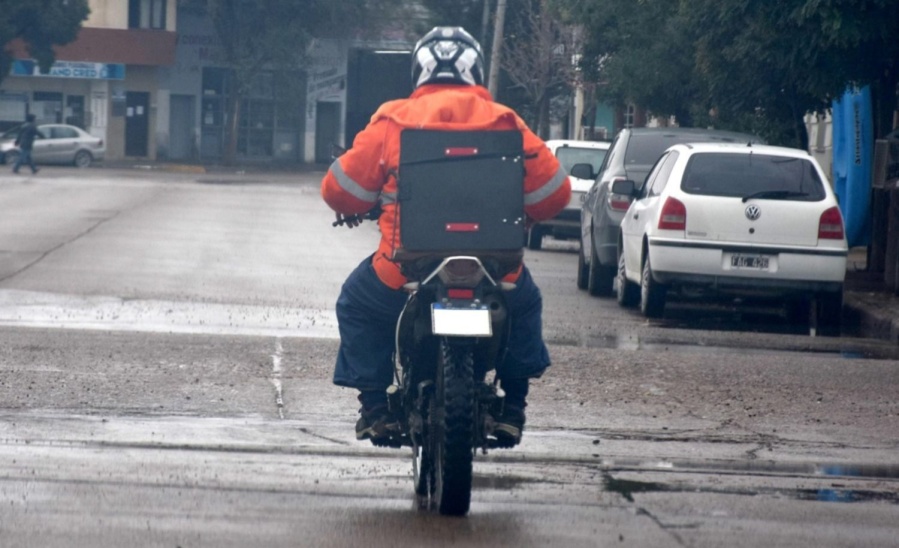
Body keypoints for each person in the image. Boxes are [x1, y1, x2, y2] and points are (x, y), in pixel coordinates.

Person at [321, 26, 571, 446]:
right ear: (475, 70)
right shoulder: (506, 122)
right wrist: (524, 209)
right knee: (525, 304)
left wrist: (364, 204)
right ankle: (513, 408)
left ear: (418, 70)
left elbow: (340, 191)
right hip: (495, 269)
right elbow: (555, 193)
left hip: (405, 267)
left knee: (357, 303)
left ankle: (374, 408)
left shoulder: (393, 120)